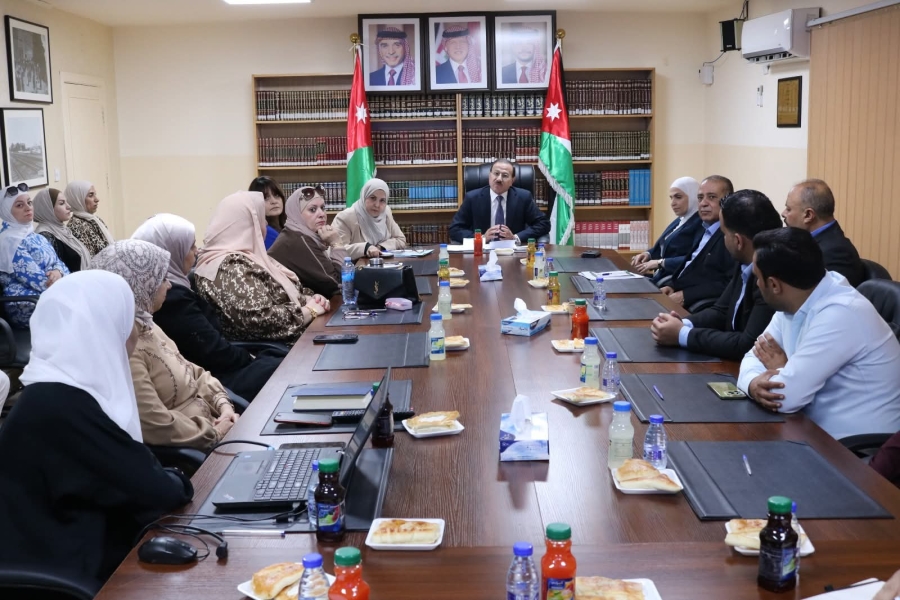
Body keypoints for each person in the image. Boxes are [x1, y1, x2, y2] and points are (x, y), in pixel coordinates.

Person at [0, 270, 193, 588]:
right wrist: (178, 477)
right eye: (128, 320)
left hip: (71, 547)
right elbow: (158, 491)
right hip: (65, 574)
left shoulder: (57, 390)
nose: (134, 332)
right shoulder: (63, 404)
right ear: (104, 327)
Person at [737, 227, 900, 440]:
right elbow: (752, 357)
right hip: (808, 429)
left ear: (774, 285)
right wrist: (753, 384)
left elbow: (783, 398)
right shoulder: (794, 299)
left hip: (854, 448)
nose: (757, 284)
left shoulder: (841, 313)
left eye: (758, 278)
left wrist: (782, 371)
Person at [91, 240, 239, 451]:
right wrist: (215, 432)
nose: (169, 285)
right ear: (138, 285)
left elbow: (193, 371)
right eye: (161, 279)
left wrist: (224, 406)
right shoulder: (128, 347)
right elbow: (156, 424)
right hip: (195, 450)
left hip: (217, 427)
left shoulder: (147, 324)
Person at [132, 213, 284, 401]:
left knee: (279, 360)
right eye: (190, 247)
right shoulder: (171, 298)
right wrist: (249, 358)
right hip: (213, 379)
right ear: (171, 251)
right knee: (280, 368)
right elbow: (210, 350)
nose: (197, 252)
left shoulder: (176, 286)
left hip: (215, 368)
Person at [651, 189, 782, 360]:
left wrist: (682, 334)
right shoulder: (745, 261)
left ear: (738, 241)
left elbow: (747, 344)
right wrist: (682, 323)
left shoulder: (771, 277)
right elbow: (720, 311)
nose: (723, 239)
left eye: (724, 233)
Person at [194, 191, 331, 345]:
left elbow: (286, 289)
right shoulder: (229, 266)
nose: (265, 223)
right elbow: (260, 319)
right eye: (259, 218)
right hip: (280, 349)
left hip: (298, 338)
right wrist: (309, 310)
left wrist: (311, 298)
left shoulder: (250, 256)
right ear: (245, 223)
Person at [660, 175, 736, 308]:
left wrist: (686, 295)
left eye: (711, 197)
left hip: (697, 305)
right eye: (700, 198)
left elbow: (729, 283)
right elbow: (690, 265)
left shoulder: (730, 236)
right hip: (676, 293)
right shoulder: (703, 228)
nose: (703, 203)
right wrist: (671, 286)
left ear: (728, 201)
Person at [0, 184, 69, 328]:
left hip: (49, 295)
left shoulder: (36, 236)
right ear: (6, 211)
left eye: (29, 202)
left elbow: (60, 264)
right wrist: (64, 285)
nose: (28, 208)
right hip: (27, 303)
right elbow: (38, 281)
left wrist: (58, 272)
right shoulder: (8, 242)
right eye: (19, 205)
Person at [268, 185, 351, 298]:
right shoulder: (299, 240)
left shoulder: (295, 233)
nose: (321, 214)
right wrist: (337, 244)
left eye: (323, 208)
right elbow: (340, 285)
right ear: (297, 213)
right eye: (312, 210)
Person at [781, 178, 865, 287]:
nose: (783, 214)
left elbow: (823, 295)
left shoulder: (836, 253)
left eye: (788, 209)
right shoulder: (806, 242)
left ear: (808, 215)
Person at [449, 159, 549, 243]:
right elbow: (455, 229)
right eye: (496, 174)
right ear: (489, 176)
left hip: (512, 251)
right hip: (483, 250)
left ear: (512, 181)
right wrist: (481, 238)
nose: (499, 179)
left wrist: (515, 238)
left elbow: (543, 223)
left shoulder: (523, 197)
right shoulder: (472, 198)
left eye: (505, 175)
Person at [631, 177, 703, 282]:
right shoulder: (681, 219)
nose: (673, 203)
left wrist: (660, 263)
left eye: (678, 197)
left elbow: (695, 259)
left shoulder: (700, 223)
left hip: (674, 281)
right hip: (662, 276)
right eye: (671, 198)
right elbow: (664, 245)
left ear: (693, 196)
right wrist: (647, 254)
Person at [332, 178, 408, 260]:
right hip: (355, 266)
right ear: (364, 196)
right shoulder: (346, 217)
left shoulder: (386, 213)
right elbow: (337, 250)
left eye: (382, 200)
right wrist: (366, 248)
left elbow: (401, 240)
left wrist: (380, 247)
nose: (377, 205)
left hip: (384, 264)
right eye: (372, 198)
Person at [32, 187, 93, 273]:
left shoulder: (63, 230)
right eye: (62, 203)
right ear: (48, 209)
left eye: (66, 202)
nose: (69, 207)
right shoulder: (45, 236)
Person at [65, 180, 115, 256]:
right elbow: (89, 259)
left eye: (95, 194)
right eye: (91, 195)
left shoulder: (95, 219)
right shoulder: (75, 227)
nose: (97, 199)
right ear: (78, 199)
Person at [248, 176, 286, 250]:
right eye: (265, 198)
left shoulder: (288, 226)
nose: (274, 201)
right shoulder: (266, 232)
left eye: (276, 195)